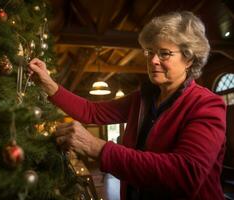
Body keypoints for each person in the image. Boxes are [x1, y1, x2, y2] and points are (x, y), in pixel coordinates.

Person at [28, 11, 226, 200]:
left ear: (189, 59)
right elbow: (92, 112)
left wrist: (98, 148)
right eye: (150, 52)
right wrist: (48, 83)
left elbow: (185, 176)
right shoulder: (143, 97)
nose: (153, 60)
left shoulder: (206, 104)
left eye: (164, 53)